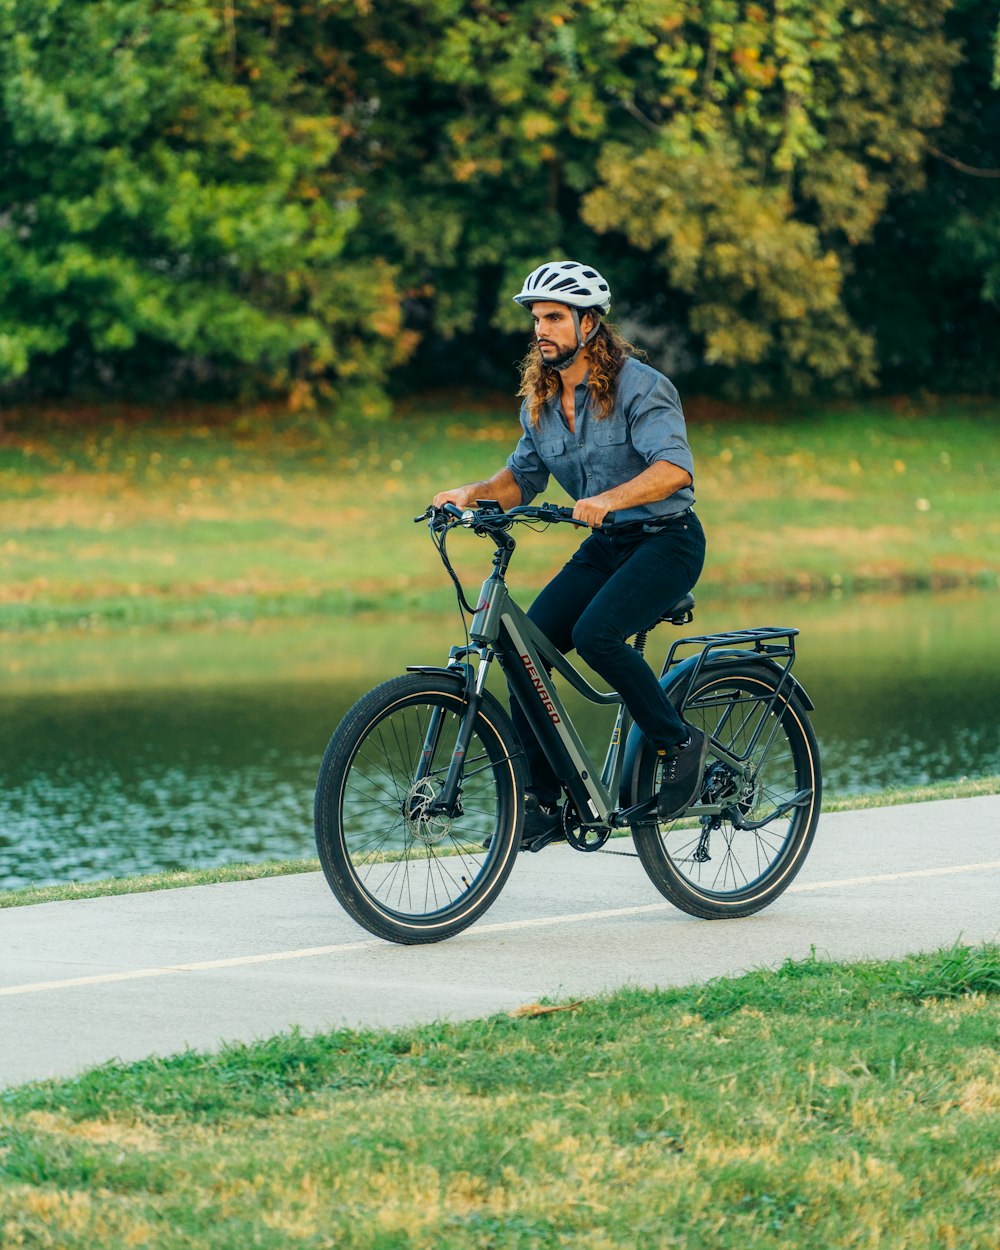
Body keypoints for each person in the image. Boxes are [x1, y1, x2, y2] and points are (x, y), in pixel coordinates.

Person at [433, 260, 707, 847]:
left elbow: (673, 469)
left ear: (590, 324)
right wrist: (471, 495)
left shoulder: (641, 386)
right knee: (523, 645)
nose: (542, 330)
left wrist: (609, 498)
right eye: (537, 319)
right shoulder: (540, 399)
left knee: (597, 633)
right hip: (606, 546)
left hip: (668, 541)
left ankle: (677, 742)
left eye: (555, 317)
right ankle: (542, 798)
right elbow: (520, 479)